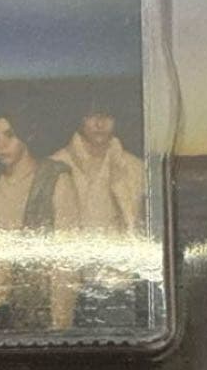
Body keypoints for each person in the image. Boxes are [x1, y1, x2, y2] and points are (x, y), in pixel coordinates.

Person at [0, 111, 80, 333]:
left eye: (9, 135)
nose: (1, 145)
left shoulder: (54, 178)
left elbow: (67, 261)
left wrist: (60, 325)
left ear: (27, 134)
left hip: (35, 312)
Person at [51, 102, 145, 328]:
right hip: (69, 286)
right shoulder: (55, 164)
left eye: (107, 116)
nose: (100, 124)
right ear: (80, 119)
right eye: (92, 115)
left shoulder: (136, 168)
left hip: (118, 287)